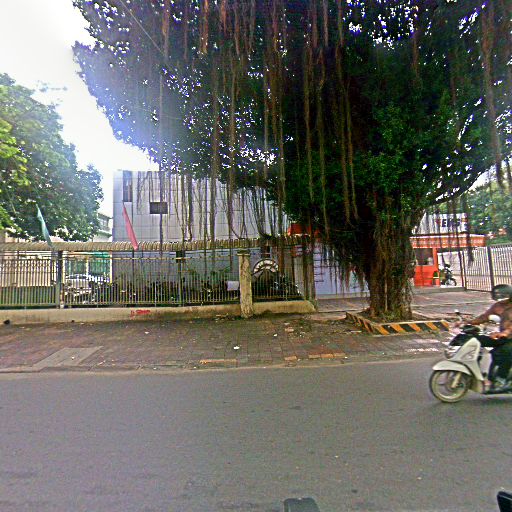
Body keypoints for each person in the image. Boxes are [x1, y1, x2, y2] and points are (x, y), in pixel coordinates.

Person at [462, 284, 512, 391]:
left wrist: (505, 332)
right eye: (497, 298)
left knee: (507, 351)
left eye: (502, 298)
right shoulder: (497, 306)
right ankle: (474, 370)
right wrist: (469, 323)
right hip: (502, 336)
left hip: (509, 336)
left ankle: (501, 379)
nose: (500, 300)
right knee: (476, 340)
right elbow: (485, 317)